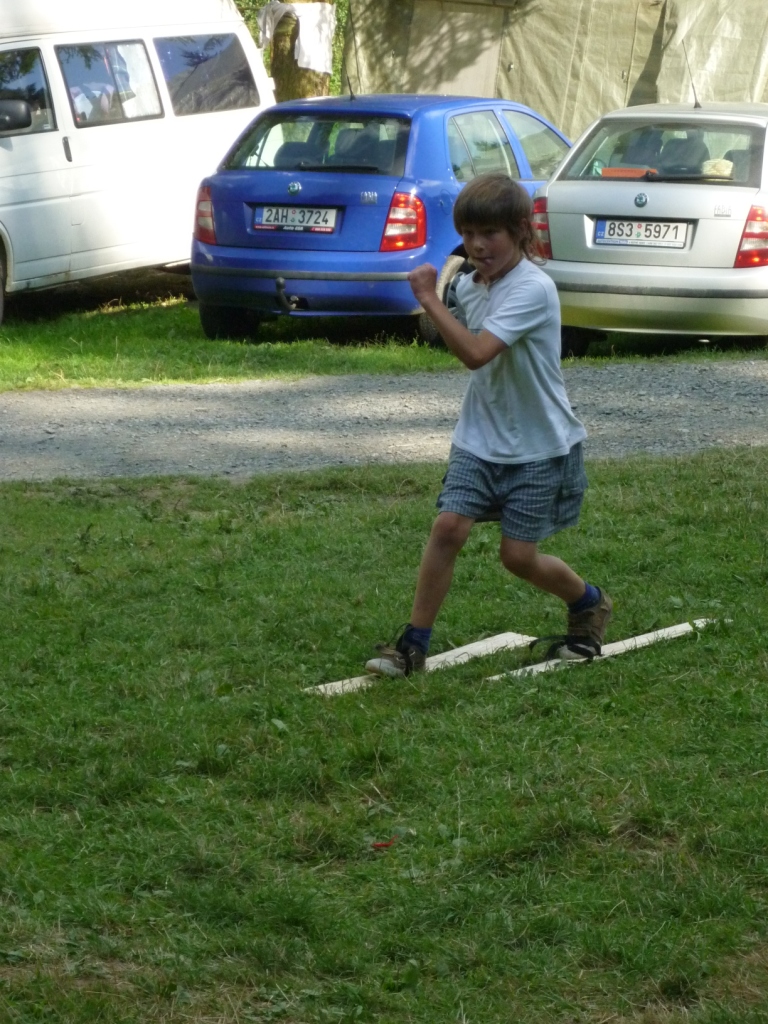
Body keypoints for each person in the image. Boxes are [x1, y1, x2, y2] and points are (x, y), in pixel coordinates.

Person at [366, 172, 612, 678]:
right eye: (468, 233)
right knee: (447, 528)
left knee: (517, 557)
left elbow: (477, 353)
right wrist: (447, 299)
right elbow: (464, 334)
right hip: (478, 437)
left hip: (539, 444)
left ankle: (588, 602)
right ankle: (413, 645)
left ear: (520, 230)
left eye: (490, 233)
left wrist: (429, 299)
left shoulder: (533, 288)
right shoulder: (467, 286)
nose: (478, 245)